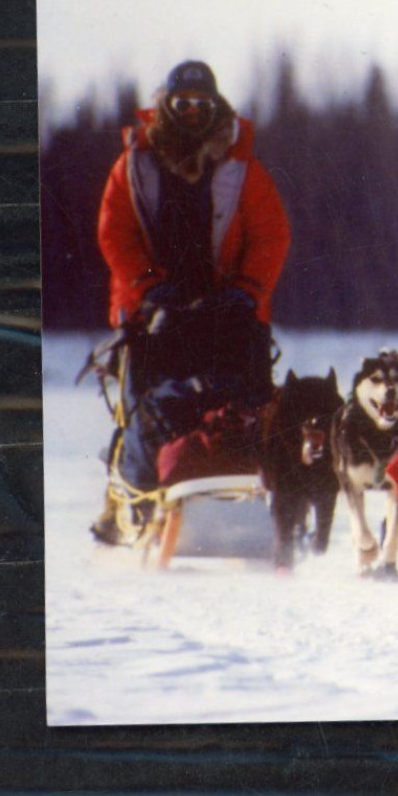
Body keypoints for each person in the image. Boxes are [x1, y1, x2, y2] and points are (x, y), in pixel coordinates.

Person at [91, 61, 291, 543]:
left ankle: (256, 501)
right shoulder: (134, 164)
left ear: (217, 106)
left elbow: (271, 235)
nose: (194, 114)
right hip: (153, 305)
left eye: (204, 105)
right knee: (148, 405)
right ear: (166, 107)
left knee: (244, 403)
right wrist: (147, 287)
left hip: (228, 305)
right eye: (184, 105)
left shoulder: (243, 167)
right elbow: (114, 232)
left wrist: (247, 291)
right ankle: (126, 501)